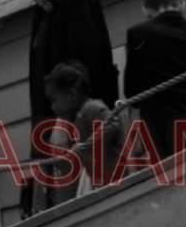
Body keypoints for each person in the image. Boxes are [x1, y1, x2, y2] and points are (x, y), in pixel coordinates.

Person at [11, 0, 117, 216]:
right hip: (52, 130)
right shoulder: (44, 11)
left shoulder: (79, 0)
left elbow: (87, 66)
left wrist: (63, 122)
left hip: (76, 129)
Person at [122, 0, 186, 159]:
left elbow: (132, 92)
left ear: (146, 10)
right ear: (181, 4)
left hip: (160, 127)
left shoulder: (138, 34)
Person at [29, 61, 122, 210]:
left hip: (111, 185)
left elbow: (112, 124)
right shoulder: (77, 119)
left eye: (55, 101)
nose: (53, 108)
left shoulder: (91, 109)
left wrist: (82, 147)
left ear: (72, 94)